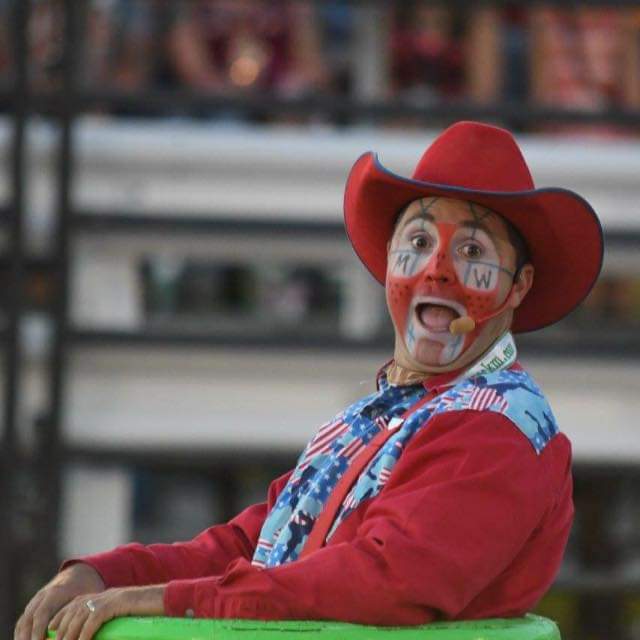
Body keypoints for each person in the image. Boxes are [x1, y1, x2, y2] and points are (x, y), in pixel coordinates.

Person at [14, 121, 603, 639]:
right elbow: (251, 546)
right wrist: (105, 573)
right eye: (418, 243)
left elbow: (381, 581)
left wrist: (166, 600)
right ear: (388, 263)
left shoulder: (496, 429)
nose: (438, 270)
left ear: (518, 287)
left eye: (470, 249)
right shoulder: (368, 419)